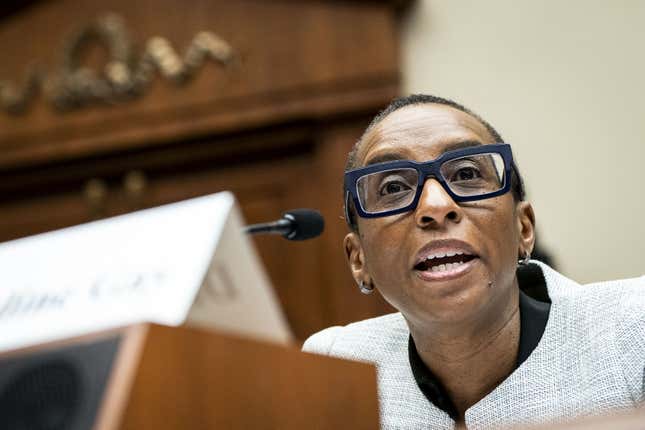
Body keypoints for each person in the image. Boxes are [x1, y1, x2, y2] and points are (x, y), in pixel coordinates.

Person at [302, 94, 644, 430]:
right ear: (358, 259)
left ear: (523, 228)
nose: (435, 206)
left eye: (466, 174)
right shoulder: (337, 365)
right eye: (393, 187)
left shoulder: (632, 330)